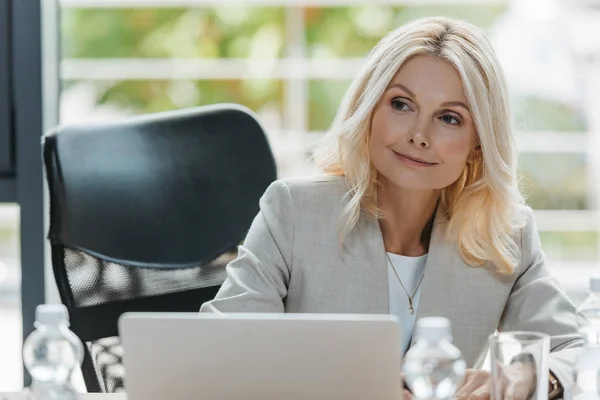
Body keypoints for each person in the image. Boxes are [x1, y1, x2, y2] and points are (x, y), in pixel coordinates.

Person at [200, 16, 582, 400]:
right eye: (401, 104)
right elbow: (222, 348)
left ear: (477, 145)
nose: (419, 135)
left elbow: (577, 350)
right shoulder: (295, 212)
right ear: (369, 111)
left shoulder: (504, 234)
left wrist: (531, 377)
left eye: (450, 118)